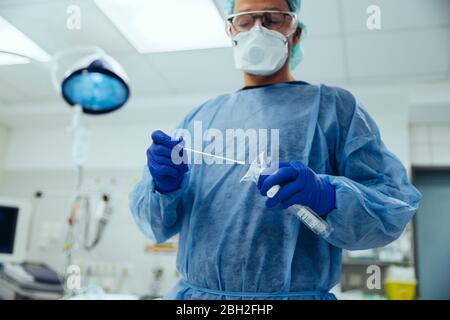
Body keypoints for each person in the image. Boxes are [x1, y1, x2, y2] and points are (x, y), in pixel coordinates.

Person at [129, 0, 422, 300]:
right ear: (231, 31)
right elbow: (154, 227)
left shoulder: (335, 110)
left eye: (272, 19)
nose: (258, 29)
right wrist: (163, 189)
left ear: (294, 33)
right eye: (245, 20)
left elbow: (392, 207)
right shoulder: (199, 119)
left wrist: (327, 196)